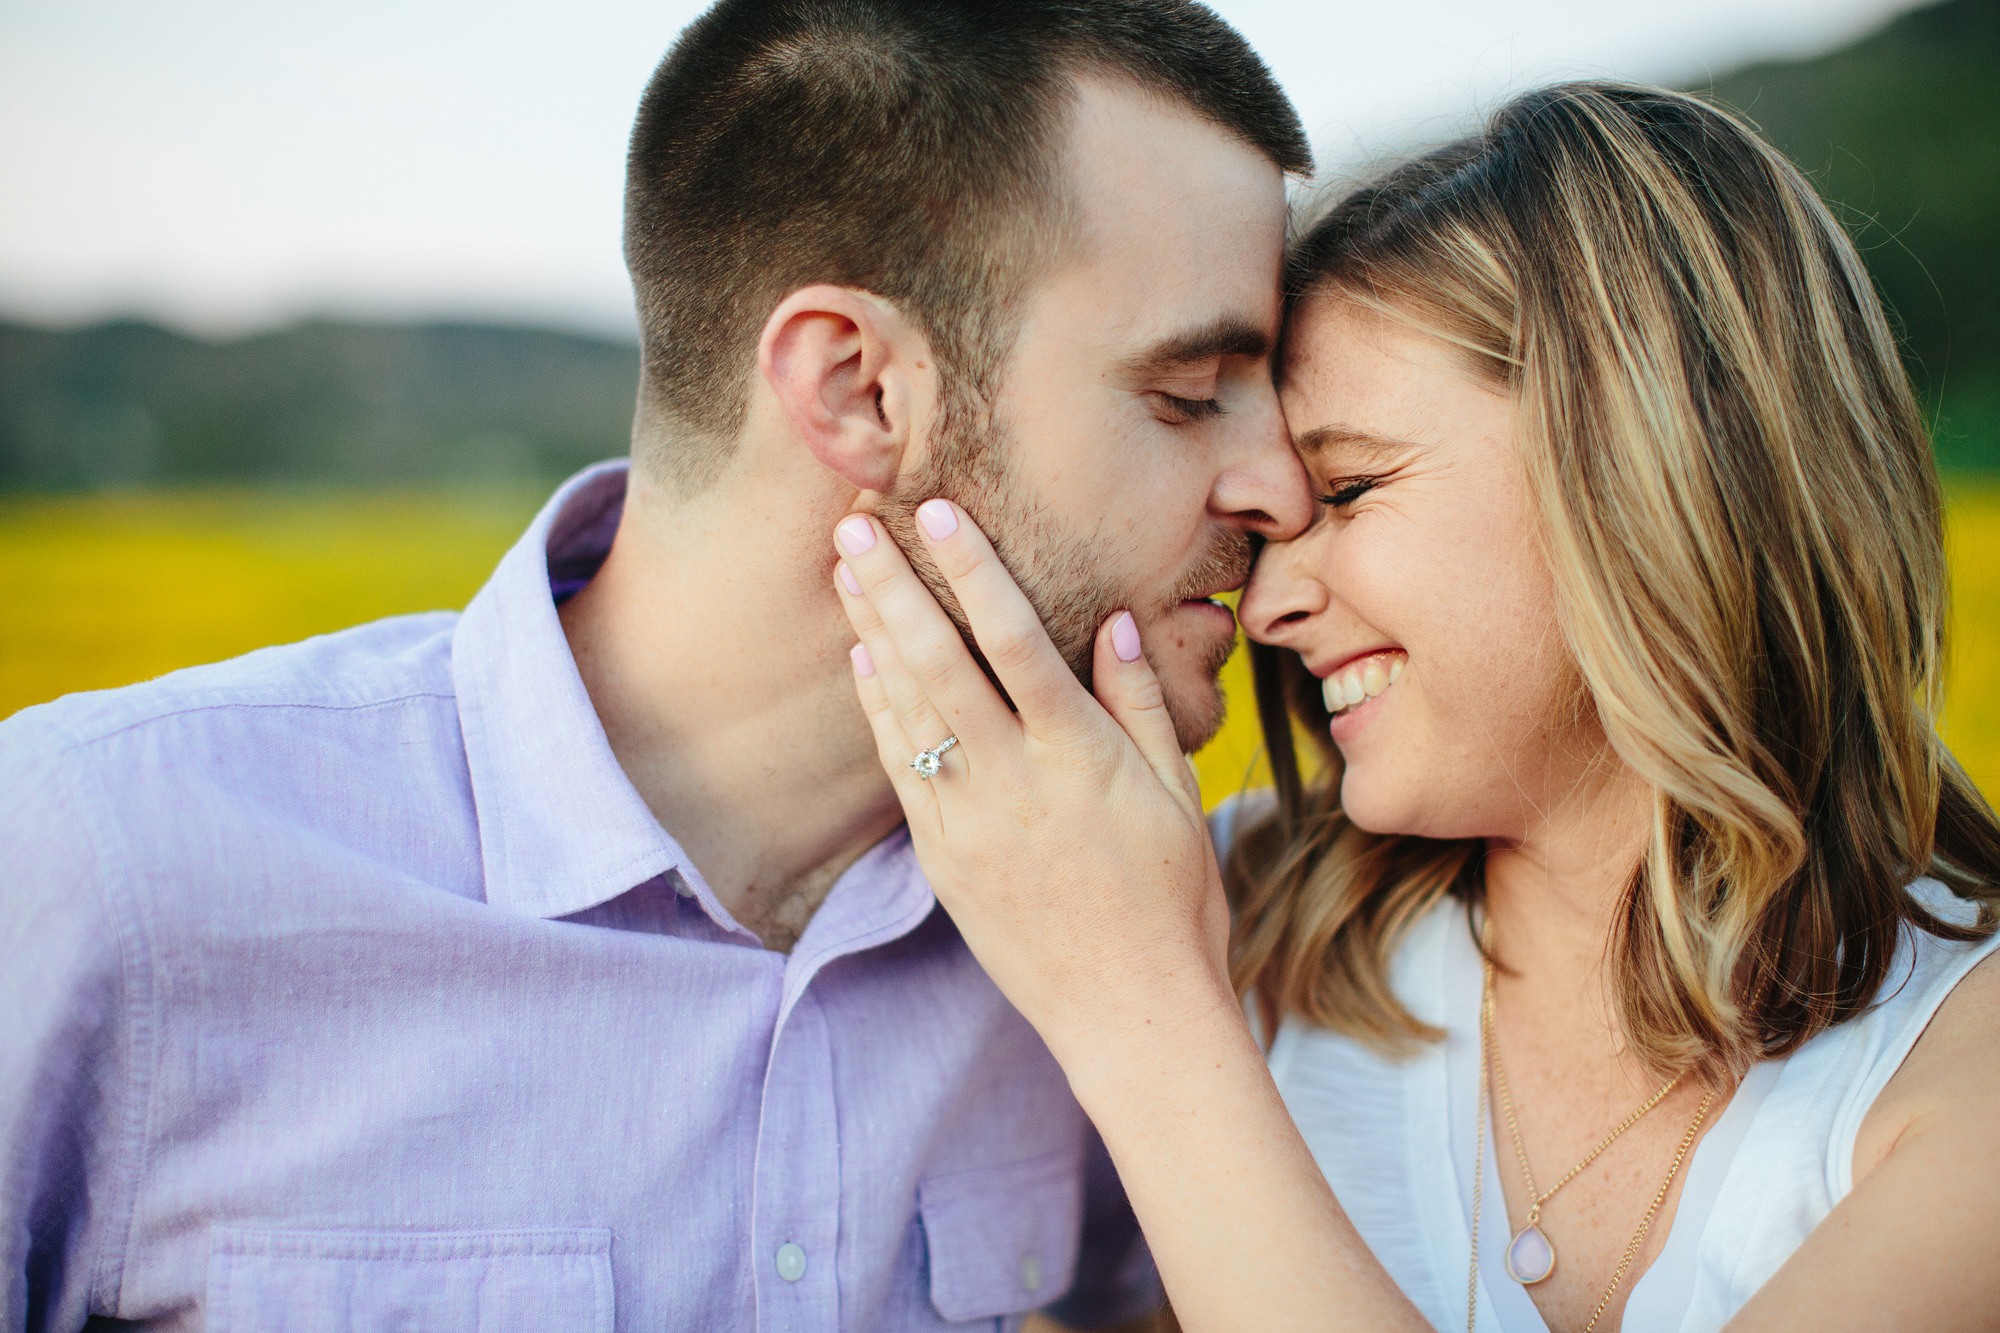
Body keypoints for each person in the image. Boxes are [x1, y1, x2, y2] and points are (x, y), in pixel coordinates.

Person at [0, 2, 1319, 1327]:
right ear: (858, 388)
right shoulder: (106, 866)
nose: (1282, 487)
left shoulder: (1134, 914)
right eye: (1190, 391)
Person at [830, 82, 2000, 1332]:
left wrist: (1141, 1013)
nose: (1265, 601)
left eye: (1344, 487)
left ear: (1645, 466)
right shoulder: (1235, 906)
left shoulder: (1959, 1067)